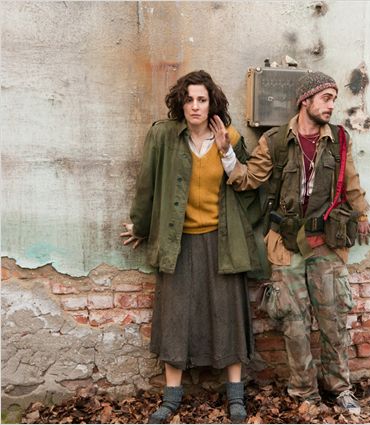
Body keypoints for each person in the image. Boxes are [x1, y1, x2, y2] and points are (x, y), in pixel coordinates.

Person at [211, 71, 370, 415]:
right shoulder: (274, 141)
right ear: (305, 101)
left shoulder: (339, 140)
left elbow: (352, 183)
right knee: (293, 323)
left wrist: (361, 214)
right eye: (326, 99)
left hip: (327, 243)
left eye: (334, 99)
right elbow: (247, 179)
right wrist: (226, 153)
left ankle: (340, 388)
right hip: (286, 245)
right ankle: (304, 392)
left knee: (333, 320)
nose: (331, 105)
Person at [121, 70, 261, 424]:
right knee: (175, 316)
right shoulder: (163, 135)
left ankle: (235, 396)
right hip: (177, 241)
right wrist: (141, 226)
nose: (195, 106)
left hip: (221, 239)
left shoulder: (229, 137)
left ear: (212, 103)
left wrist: (227, 151)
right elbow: (147, 185)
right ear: (180, 103)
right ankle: (171, 398)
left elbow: (248, 186)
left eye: (202, 99)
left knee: (228, 314)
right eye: (189, 99)